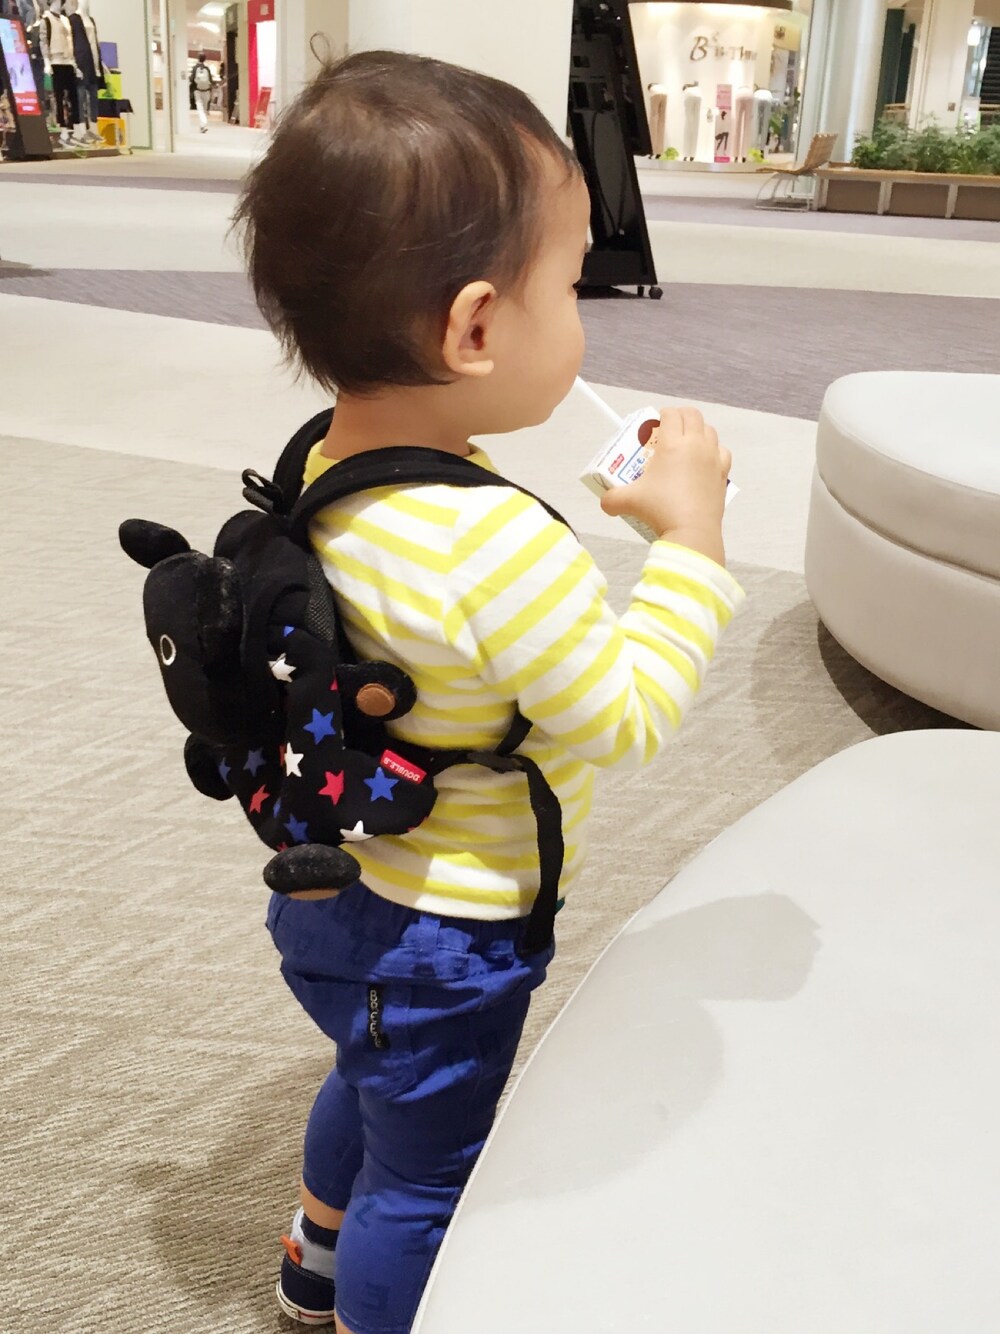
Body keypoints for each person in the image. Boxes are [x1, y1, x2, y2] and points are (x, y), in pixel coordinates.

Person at [234, 50, 744, 1334]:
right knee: (427, 1174)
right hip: (450, 931)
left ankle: (312, 1256)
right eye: (568, 286)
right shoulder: (498, 543)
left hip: (332, 889)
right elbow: (622, 714)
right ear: (472, 328)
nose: (581, 315)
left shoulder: (322, 462)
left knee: (366, 1070)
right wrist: (689, 544)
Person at [190, 50, 212, 132]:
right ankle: (203, 125)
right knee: (205, 109)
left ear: (198, 58)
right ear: (205, 59)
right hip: (206, 91)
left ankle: (203, 125)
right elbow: (210, 80)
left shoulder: (195, 68)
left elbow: (192, 79)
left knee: (200, 109)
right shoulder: (207, 69)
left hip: (198, 91)